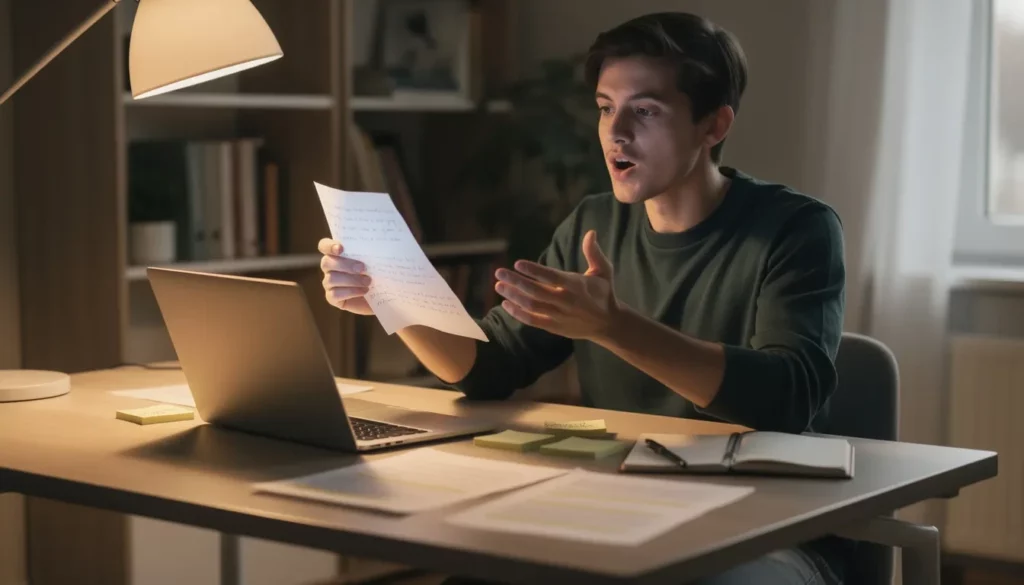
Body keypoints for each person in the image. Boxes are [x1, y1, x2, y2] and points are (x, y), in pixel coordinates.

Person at [319, 11, 847, 585]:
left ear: (713, 125)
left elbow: (787, 399)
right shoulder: (594, 222)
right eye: (605, 107)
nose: (616, 132)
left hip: (760, 524)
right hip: (617, 509)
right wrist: (390, 297)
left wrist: (612, 326)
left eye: (645, 111)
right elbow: (490, 366)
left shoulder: (797, 229)